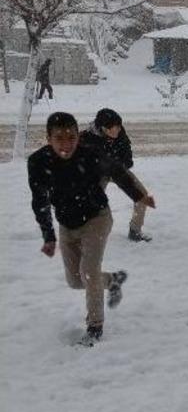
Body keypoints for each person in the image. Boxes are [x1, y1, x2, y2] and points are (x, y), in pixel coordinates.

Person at [28, 112, 156, 346]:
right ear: (48, 138)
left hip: (97, 218)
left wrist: (140, 196)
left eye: (71, 137)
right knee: (76, 281)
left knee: (88, 271)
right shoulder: (38, 161)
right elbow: (40, 201)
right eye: (59, 138)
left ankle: (95, 328)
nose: (66, 144)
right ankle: (112, 280)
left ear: (78, 136)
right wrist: (49, 236)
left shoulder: (89, 154)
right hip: (67, 224)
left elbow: (118, 172)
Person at [80, 108, 153, 242]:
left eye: (120, 126)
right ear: (105, 128)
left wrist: (119, 166)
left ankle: (135, 231)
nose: (119, 130)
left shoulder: (120, 132)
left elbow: (128, 156)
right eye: (116, 128)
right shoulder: (86, 138)